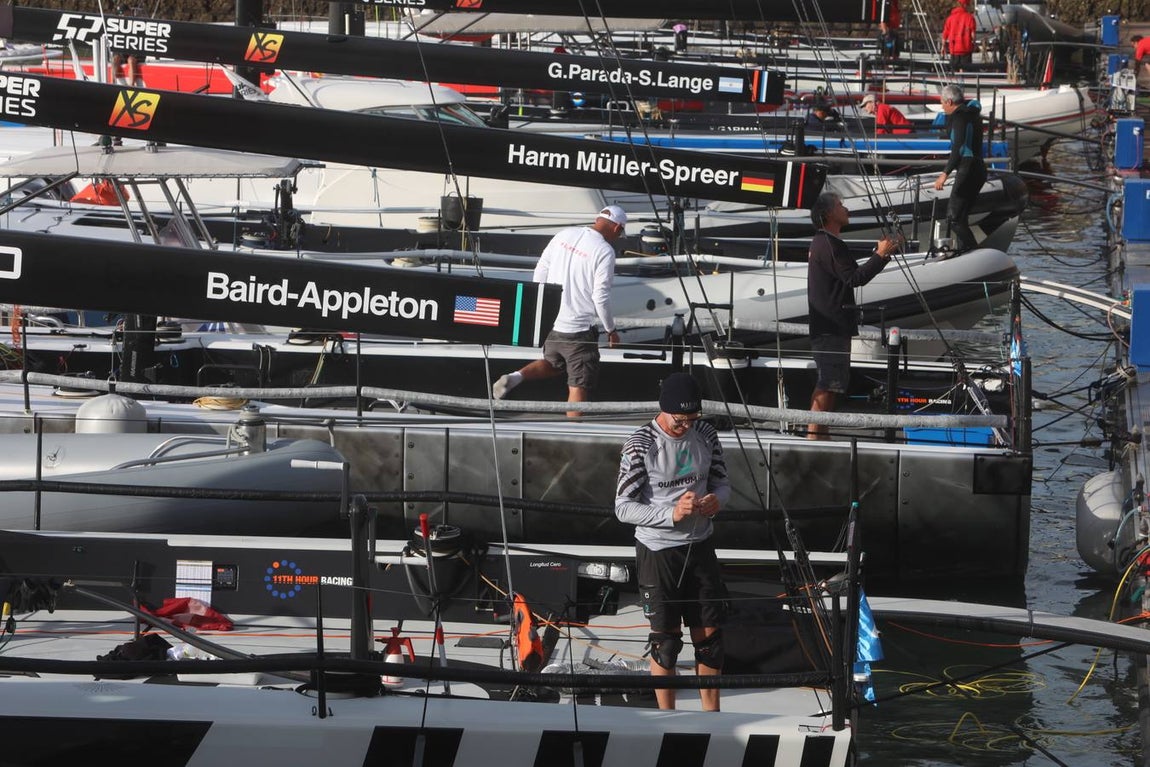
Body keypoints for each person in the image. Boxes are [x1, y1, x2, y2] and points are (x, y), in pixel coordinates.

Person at [615, 372, 730, 711]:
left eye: (692, 420)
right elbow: (622, 507)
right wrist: (670, 516)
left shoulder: (706, 434)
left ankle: (713, 715)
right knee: (666, 642)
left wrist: (716, 500)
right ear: (663, 411)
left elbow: (722, 483)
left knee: (710, 640)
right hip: (658, 549)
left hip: (700, 544)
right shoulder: (640, 445)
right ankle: (668, 717)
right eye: (680, 421)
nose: (686, 427)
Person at [492, 205, 623, 417]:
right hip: (579, 329)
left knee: (554, 363)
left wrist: (541, 307)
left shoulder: (565, 233)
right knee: (578, 385)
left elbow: (541, 269)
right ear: (617, 228)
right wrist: (611, 330)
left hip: (553, 322)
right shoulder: (604, 251)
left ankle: (515, 377)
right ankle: (572, 437)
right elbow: (600, 296)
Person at [806, 192, 901, 440]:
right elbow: (854, 278)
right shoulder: (828, 244)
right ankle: (813, 436)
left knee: (834, 382)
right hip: (830, 327)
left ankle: (820, 435)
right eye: (840, 205)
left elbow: (849, 275)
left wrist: (883, 254)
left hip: (833, 325)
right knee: (828, 383)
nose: (845, 208)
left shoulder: (827, 243)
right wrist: (880, 256)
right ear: (828, 214)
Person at [933, 83, 986, 256]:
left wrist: (944, 173)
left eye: (942, 102)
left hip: (968, 169)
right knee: (961, 217)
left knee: (953, 218)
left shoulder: (959, 117)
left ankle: (975, 255)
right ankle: (966, 253)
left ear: (949, 101)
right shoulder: (972, 113)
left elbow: (960, 148)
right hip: (978, 168)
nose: (942, 106)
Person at [940, 0, 976, 71]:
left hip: (954, 50)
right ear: (965, 5)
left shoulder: (950, 18)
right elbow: (973, 35)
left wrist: (943, 47)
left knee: (954, 75)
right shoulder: (970, 18)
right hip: (966, 49)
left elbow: (945, 34)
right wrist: (974, 44)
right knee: (966, 75)